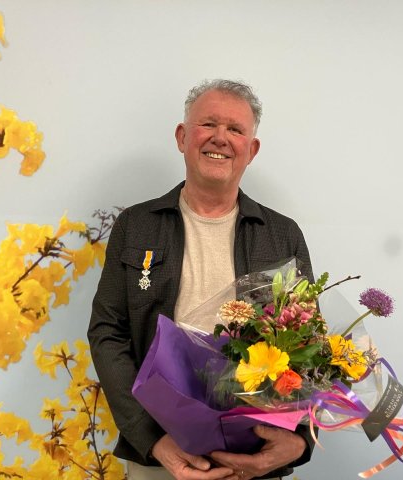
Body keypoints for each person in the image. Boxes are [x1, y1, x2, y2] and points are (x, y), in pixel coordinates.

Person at [88, 79, 315, 480]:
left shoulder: (283, 235)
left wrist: (298, 441)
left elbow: (309, 345)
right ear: (182, 136)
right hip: (161, 455)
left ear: (252, 149)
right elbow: (109, 333)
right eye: (208, 124)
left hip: (257, 455)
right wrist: (154, 441)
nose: (220, 138)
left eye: (236, 129)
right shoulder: (136, 226)